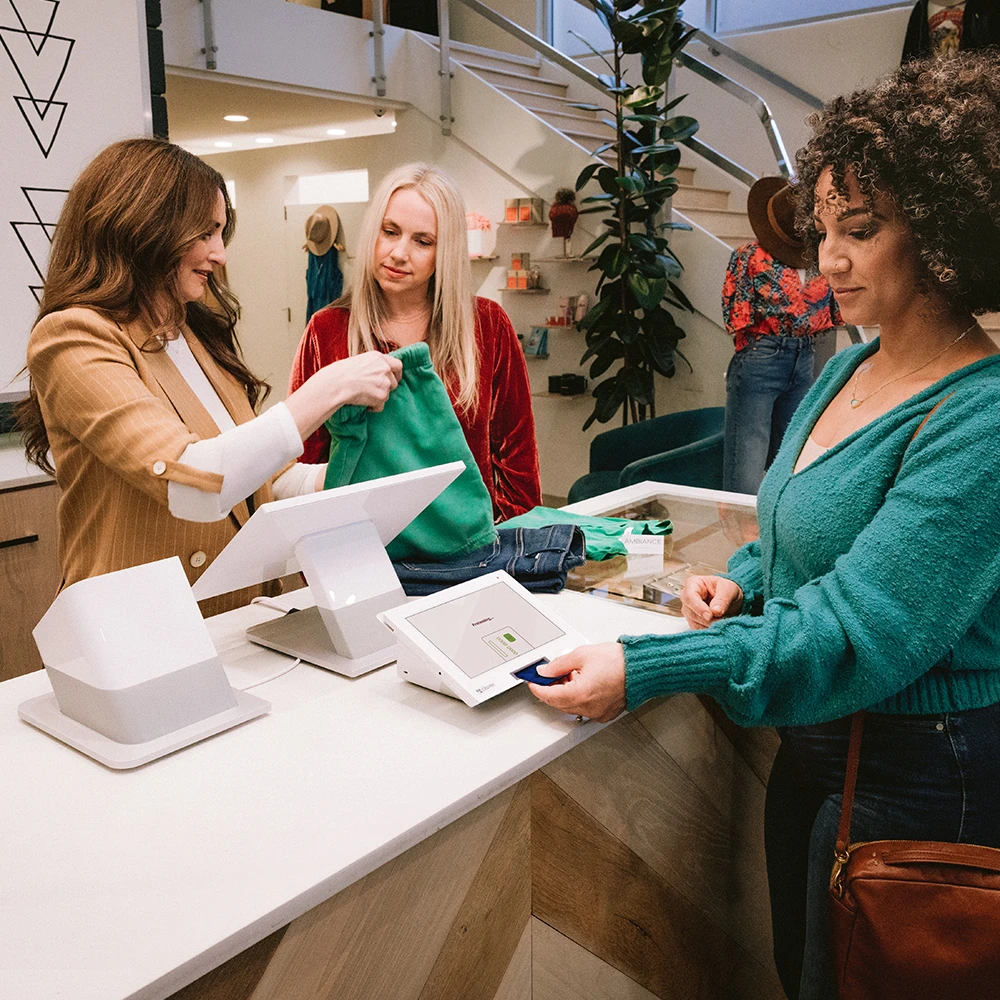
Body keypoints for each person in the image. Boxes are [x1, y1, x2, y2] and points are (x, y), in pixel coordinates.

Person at [529, 52, 1000, 999]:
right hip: (819, 750)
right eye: (823, 229)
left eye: (858, 231)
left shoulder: (980, 415)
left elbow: (861, 627)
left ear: (946, 233)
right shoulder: (846, 368)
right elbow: (793, 517)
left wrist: (648, 666)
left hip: (923, 773)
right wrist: (745, 572)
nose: (826, 259)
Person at [20, 138, 401, 613]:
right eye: (204, 233)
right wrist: (326, 390)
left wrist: (377, 476)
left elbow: (269, 481)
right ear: (142, 227)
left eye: (221, 233)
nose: (219, 254)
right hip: (139, 628)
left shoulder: (195, 334)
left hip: (237, 618)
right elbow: (190, 485)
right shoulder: (73, 337)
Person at [289, 163, 541, 523]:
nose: (398, 253)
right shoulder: (327, 330)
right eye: (389, 232)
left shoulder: (487, 325)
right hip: (363, 549)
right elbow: (306, 464)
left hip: (471, 550)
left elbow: (518, 468)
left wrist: (508, 551)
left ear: (445, 251)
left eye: (422, 241)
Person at [722, 176, 842, 495]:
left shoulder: (823, 259)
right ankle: (737, 540)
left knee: (788, 455)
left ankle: (775, 538)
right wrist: (759, 347)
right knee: (746, 460)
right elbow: (736, 315)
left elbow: (834, 313)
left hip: (807, 357)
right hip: (763, 355)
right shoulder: (748, 257)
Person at [901, 0, 1000, 63]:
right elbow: (911, 52)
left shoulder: (988, 6)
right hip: (932, 81)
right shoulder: (922, 6)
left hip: (974, 80)